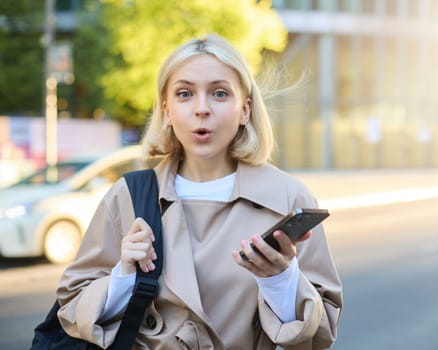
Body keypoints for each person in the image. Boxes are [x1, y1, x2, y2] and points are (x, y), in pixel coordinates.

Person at [56, 34, 342, 349]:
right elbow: (72, 309)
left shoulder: (287, 198)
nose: (202, 109)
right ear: (166, 110)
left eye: (220, 93)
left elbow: (320, 335)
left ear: (245, 110)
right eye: (184, 94)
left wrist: (280, 279)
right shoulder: (128, 196)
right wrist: (124, 276)